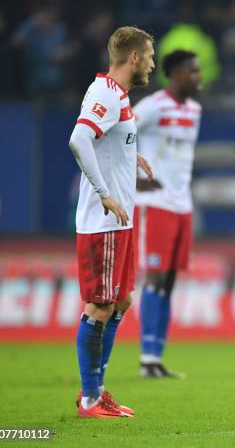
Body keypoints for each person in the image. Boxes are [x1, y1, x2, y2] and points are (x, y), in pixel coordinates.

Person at [68, 26, 155, 418]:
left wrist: (129, 155)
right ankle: (89, 398)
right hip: (103, 221)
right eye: (150, 55)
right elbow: (79, 139)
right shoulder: (105, 92)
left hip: (121, 223)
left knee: (121, 301)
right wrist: (104, 192)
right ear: (133, 57)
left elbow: (106, 139)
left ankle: (98, 390)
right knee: (100, 305)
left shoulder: (116, 95)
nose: (153, 63)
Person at [133, 50, 203, 378]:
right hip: (155, 203)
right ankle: (147, 358)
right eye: (193, 72)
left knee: (170, 281)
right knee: (155, 278)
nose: (199, 78)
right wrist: (133, 177)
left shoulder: (194, 110)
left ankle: (157, 357)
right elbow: (120, 137)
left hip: (182, 204)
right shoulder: (151, 107)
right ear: (175, 73)